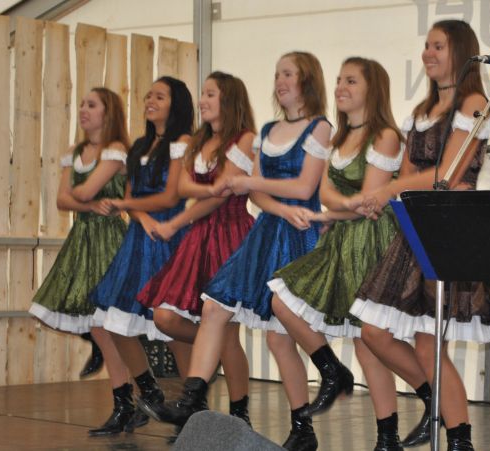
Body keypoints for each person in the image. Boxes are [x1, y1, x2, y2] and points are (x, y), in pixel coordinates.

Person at [139, 51, 331, 451]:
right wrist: (247, 190)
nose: (279, 81)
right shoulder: (248, 134)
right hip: (240, 230)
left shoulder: (276, 133)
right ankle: (196, 398)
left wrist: (243, 187)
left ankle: (292, 404)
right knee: (206, 316)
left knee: (266, 334)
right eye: (276, 74)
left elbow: (275, 188)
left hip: (246, 233)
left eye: (288, 74)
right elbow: (189, 187)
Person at [349, 20, 490, 451]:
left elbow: (448, 173)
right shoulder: (422, 111)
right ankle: (435, 401)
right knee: (373, 332)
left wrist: (390, 189)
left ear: (460, 52)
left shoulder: (474, 102)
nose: (428, 53)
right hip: (418, 227)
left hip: (451, 230)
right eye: (426, 46)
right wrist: (385, 195)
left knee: (428, 345)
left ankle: (459, 439)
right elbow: (410, 174)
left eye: (438, 46)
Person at [269, 57, 409, 451]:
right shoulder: (339, 139)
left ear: (372, 89)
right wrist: (340, 207)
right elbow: (329, 193)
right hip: (341, 240)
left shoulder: (385, 136)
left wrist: (336, 210)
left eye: (351, 81)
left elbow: (370, 202)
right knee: (282, 300)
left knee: (368, 345)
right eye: (339, 80)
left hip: (371, 242)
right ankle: (331, 370)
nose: (340, 88)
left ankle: (387, 437)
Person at [136, 71, 256, 424]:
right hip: (201, 235)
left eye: (210, 94)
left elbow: (221, 197)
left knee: (227, 333)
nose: (202, 101)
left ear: (229, 99)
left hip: (231, 234)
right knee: (166, 316)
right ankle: (206, 365)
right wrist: (210, 189)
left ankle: (238, 415)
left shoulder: (244, 139)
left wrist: (176, 222)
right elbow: (186, 187)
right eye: (202, 94)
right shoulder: (200, 140)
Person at [29, 87, 143, 435]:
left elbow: (82, 190)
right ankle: (127, 401)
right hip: (84, 238)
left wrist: (84, 198)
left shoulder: (115, 150)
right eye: (82, 104)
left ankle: (128, 401)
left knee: (105, 323)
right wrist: (90, 205)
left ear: (108, 113)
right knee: (94, 321)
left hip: (109, 240)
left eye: (91, 105)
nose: (83, 109)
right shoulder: (75, 153)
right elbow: (63, 201)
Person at [88, 76, 194, 435]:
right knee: (116, 321)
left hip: (168, 238)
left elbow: (171, 196)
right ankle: (148, 391)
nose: (150, 101)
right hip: (139, 238)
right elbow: (132, 197)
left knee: (171, 325)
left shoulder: (183, 142)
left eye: (159, 96)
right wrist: (140, 215)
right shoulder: (140, 145)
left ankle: (192, 410)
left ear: (175, 104)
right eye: (149, 95)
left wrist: (131, 207)